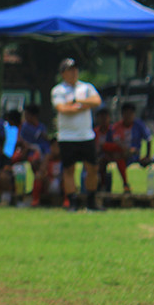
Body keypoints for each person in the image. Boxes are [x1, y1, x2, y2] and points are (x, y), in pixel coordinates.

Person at [50, 58, 103, 211]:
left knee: (92, 168)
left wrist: (76, 102)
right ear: (62, 73)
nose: (73, 72)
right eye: (70, 70)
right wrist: (83, 106)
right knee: (68, 169)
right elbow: (62, 109)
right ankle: (72, 202)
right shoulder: (58, 90)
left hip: (86, 135)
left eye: (75, 69)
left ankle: (91, 201)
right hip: (67, 136)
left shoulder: (86, 87)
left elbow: (97, 101)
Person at [105, 102, 152, 193]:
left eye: (130, 114)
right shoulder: (116, 127)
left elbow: (149, 139)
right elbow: (113, 142)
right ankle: (120, 185)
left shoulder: (139, 125)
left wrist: (148, 155)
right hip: (120, 153)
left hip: (134, 154)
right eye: (126, 114)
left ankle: (125, 185)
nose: (128, 116)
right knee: (118, 155)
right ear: (122, 114)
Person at [31, 139, 63, 207]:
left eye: (58, 146)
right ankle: (35, 200)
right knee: (38, 176)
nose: (56, 149)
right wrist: (47, 159)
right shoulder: (47, 158)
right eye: (54, 146)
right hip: (48, 183)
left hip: (61, 183)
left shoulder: (64, 158)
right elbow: (42, 171)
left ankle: (67, 201)